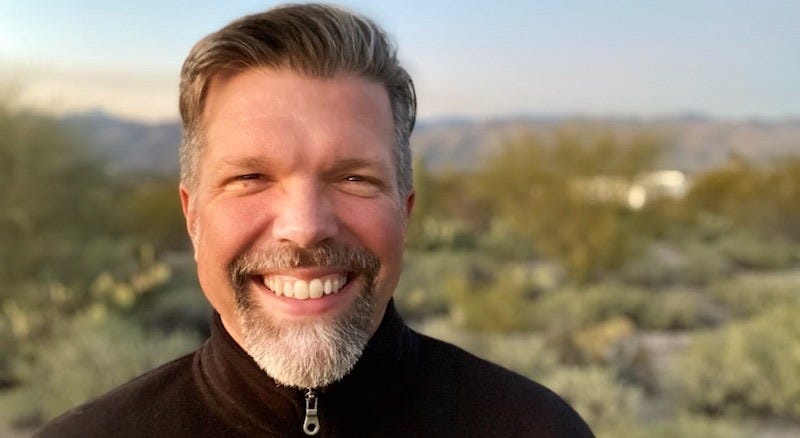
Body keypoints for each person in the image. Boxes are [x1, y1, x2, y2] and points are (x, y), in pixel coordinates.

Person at [37, 4, 592, 437]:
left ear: (405, 210)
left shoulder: (533, 428)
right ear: (192, 215)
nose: (305, 227)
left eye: (354, 179)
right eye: (251, 178)